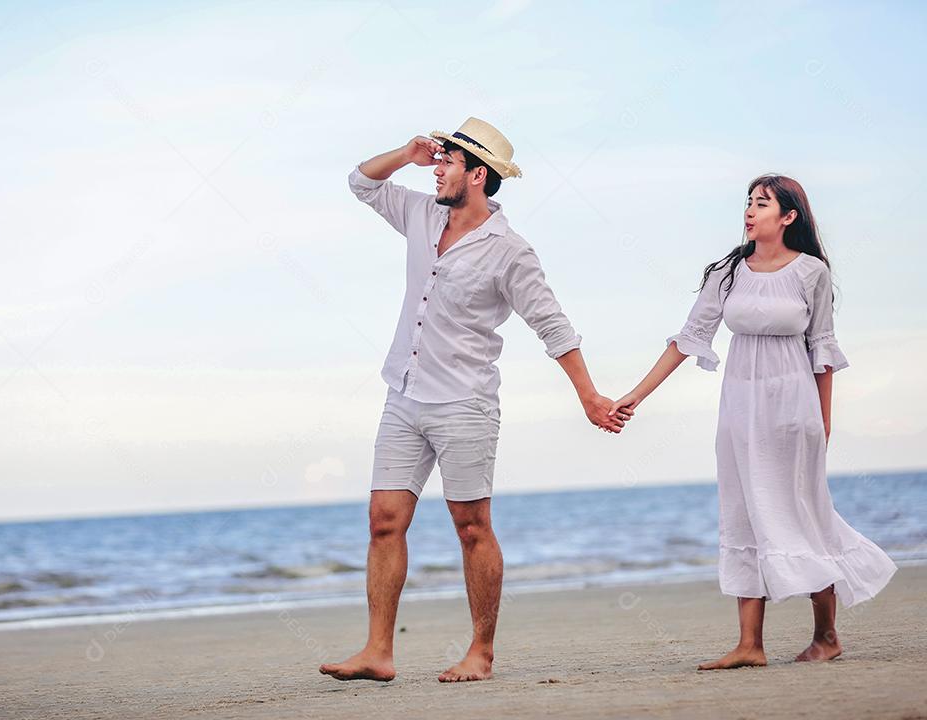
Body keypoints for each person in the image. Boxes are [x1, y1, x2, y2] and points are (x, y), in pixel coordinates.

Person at [319, 117, 631, 683]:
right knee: (384, 520)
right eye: (437, 160)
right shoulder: (421, 212)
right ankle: (378, 652)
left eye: (447, 162)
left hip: (464, 403)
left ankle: (481, 651)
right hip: (404, 394)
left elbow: (553, 327)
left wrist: (589, 397)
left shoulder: (510, 251)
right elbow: (360, 183)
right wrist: (407, 153)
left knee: (471, 527)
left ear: (478, 174)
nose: (437, 168)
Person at [608, 174, 897, 670]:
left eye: (762, 204)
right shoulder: (728, 272)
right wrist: (636, 394)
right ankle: (749, 645)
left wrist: (822, 424)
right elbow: (688, 338)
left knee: (802, 515)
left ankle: (826, 636)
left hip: (794, 409)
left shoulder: (811, 273)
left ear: (788, 217)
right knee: (743, 511)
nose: (749, 210)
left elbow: (822, 352)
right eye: (747, 202)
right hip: (740, 408)